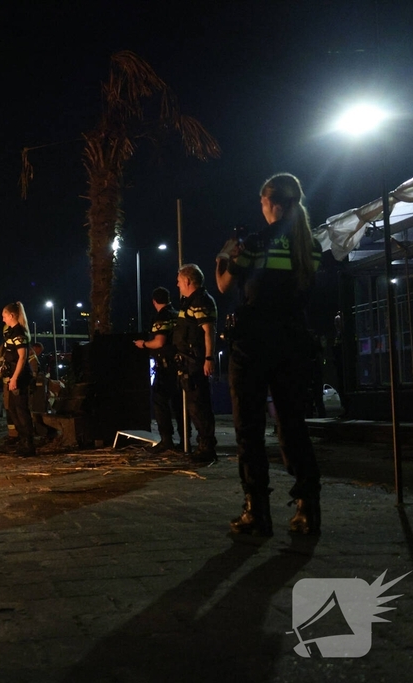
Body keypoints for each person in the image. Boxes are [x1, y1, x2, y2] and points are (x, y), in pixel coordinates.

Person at [215, 172, 323, 537]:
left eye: (262, 203)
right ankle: (308, 506)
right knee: (293, 426)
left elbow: (226, 284)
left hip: (253, 345)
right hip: (293, 342)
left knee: (249, 429)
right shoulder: (311, 246)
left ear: (270, 202)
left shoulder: (257, 243)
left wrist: (225, 257)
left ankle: (256, 511)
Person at [172, 264, 218, 463]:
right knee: (194, 405)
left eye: (179, 281)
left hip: (196, 361)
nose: (178, 285)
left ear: (188, 281)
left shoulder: (200, 301)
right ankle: (202, 445)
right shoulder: (190, 301)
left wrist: (208, 359)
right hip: (187, 361)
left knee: (199, 405)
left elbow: (209, 331)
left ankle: (206, 448)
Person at [133, 286, 187, 453]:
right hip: (179, 366)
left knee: (160, 401)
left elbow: (159, 342)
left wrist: (143, 344)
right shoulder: (177, 314)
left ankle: (166, 440)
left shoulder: (161, 316)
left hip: (165, 367)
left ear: (154, 301)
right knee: (179, 405)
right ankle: (185, 440)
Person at [0, 302, 36, 456]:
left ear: (12, 315)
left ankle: (28, 444)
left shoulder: (18, 333)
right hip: (13, 376)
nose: (3, 319)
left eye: (4, 316)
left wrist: (14, 378)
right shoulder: (12, 332)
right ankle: (23, 441)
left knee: (21, 411)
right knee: (14, 410)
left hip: (19, 377)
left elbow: (22, 358)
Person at [30, 341, 56, 443]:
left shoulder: (28, 354)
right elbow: (35, 372)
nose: (39, 354)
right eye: (39, 351)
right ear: (35, 348)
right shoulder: (32, 357)